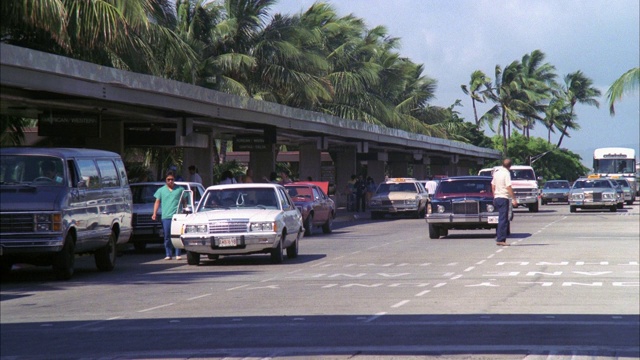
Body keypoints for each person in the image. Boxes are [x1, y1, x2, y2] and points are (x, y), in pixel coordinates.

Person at [151, 171, 185, 260]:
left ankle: (178, 253)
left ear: (174, 180)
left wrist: (185, 211)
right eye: (168, 179)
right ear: (165, 180)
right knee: (167, 236)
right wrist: (154, 213)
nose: (170, 181)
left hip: (177, 216)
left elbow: (184, 201)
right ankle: (168, 254)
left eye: (172, 179)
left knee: (177, 235)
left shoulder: (180, 189)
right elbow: (157, 202)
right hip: (166, 217)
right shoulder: (161, 190)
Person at [491, 159, 518, 246]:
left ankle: (500, 237)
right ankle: (501, 239)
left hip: (497, 197)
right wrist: (514, 198)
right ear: (510, 166)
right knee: (503, 219)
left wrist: (494, 195)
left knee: (501, 218)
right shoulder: (506, 173)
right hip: (503, 197)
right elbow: (508, 186)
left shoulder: (497, 172)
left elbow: (493, 185)